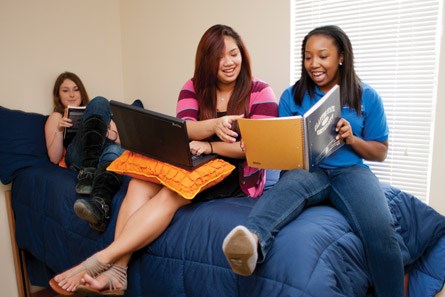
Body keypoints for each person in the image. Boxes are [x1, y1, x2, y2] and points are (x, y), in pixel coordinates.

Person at [48, 24, 278, 295]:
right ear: (207, 61)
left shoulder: (260, 91)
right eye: (219, 56)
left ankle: (102, 260)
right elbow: (184, 130)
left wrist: (210, 144)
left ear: (243, 54)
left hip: (235, 169)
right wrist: (213, 126)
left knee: (171, 192)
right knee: (138, 182)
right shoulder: (193, 87)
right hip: (193, 156)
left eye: (234, 53)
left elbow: (256, 149)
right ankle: (118, 273)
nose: (228, 62)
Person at [222, 25, 404, 297]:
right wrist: (261, 145)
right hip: (306, 171)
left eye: (322, 56)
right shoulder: (292, 96)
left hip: (350, 171)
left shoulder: (366, 96)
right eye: (308, 57)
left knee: (383, 233)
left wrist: (352, 139)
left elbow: (380, 151)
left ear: (341, 57)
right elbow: (279, 152)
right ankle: (250, 241)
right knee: (288, 186)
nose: (314, 64)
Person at [45, 71, 125, 232]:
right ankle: (88, 171)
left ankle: (100, 206)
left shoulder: (98, 111)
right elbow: (54, 158)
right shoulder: (56, 116)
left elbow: (121, 142)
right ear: (58, 95)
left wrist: (107, 132)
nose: (72, 95)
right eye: (65, 90)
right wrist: (60, 129)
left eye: (76, 89)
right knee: (100, 101)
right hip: (78, 159)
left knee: (115, 150)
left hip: (103, 155)